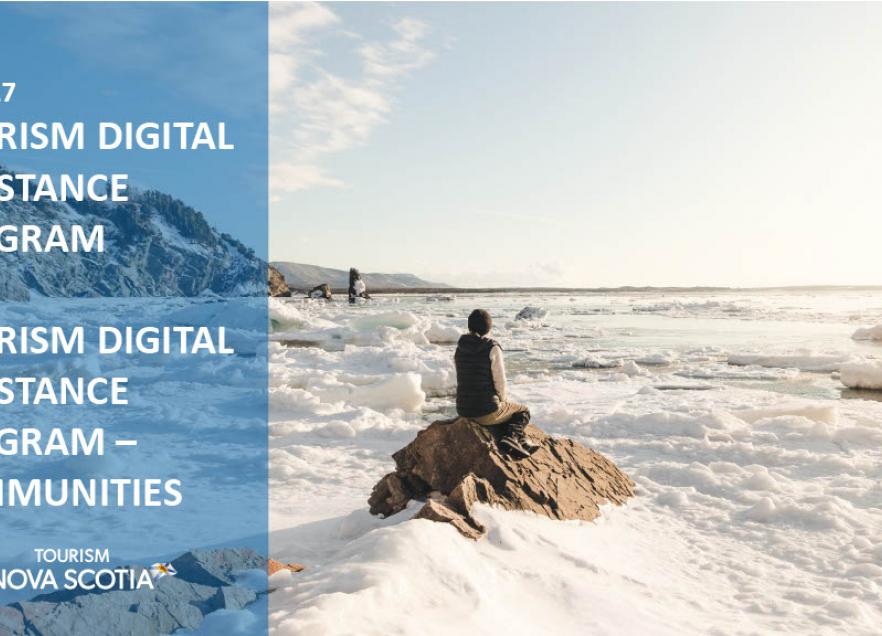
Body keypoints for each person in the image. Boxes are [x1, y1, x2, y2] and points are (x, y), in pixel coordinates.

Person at [454, 309, 539, 458]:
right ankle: (511, 438)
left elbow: (461, 376)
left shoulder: (460, 348)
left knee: (502, 412)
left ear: (469, 327)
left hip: (464, 409)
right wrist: (503, 402)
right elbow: (500, 382)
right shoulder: (492, 347)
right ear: (488, 328)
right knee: (522, 411)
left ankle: (522, 441)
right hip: (485, 411)